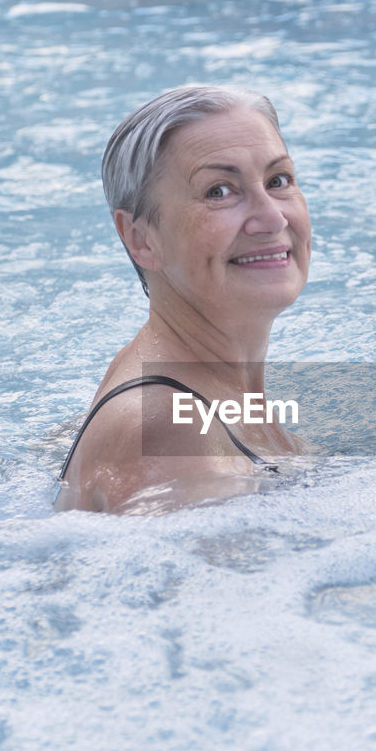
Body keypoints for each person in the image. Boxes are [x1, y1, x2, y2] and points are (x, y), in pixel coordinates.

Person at [55, 86, 311, 514]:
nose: (272, 218)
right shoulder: (174, 430)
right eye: (218, 191)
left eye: (277, 181)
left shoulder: (174, 380)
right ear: (141, 239)